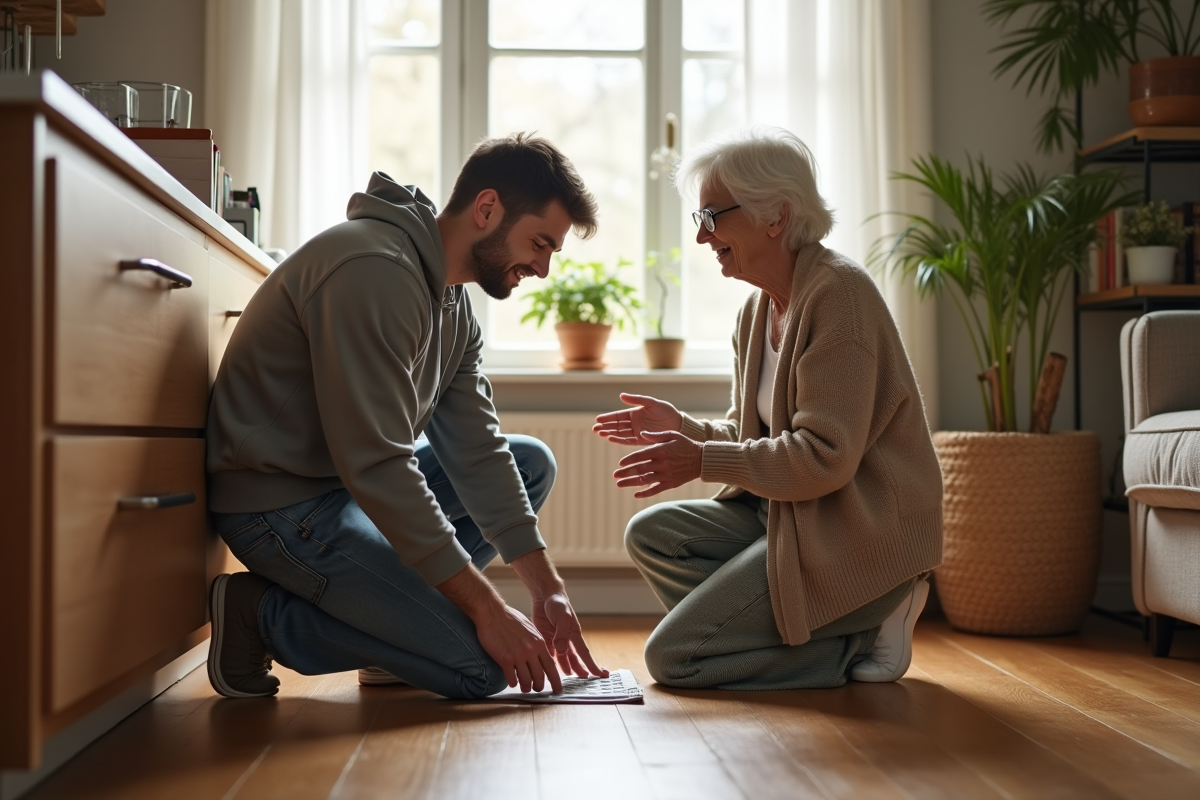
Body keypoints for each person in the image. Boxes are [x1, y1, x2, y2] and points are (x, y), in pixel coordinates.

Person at [206, 133, 609, 700]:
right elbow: (378, 463)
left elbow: (476, 448)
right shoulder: (373, 269)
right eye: (539, 243)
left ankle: (401, 628)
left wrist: (547, 588)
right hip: (281, 506)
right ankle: (262, 616)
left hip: (345, 491)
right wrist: (488, 610)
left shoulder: (452, 302)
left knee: (528, 463)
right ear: (487, 208)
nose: (542, 269)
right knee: (482, 668)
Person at [594, 126, 942, 690]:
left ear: (775, 216)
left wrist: (701, 459)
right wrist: (683, 428)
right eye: (699, 220)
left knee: (675, 658)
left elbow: (822, 459)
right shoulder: (757, 312)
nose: (703, 237)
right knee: (652, 533)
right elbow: (750, 433)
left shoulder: (840, 296)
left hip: (855, 535)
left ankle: (861, 627)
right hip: (786, 518)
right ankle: (806, 628)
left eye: (713, 217)